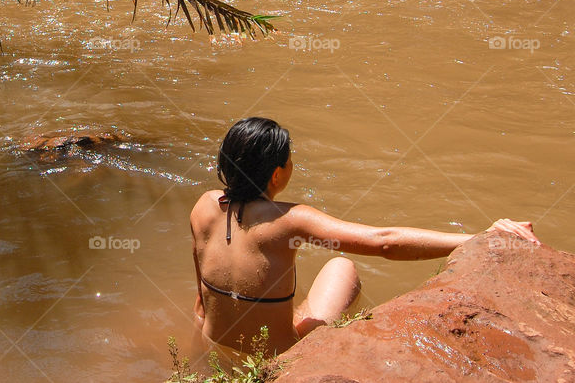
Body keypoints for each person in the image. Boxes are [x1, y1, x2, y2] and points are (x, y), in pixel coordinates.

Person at [191, 117, 540, 355]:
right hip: (277, 356)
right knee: (342, 268)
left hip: (213, 340)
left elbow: (201, 301)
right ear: (278, 173)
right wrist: (479, 238)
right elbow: (383, 241)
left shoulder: (204, 206)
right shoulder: (290, 220)